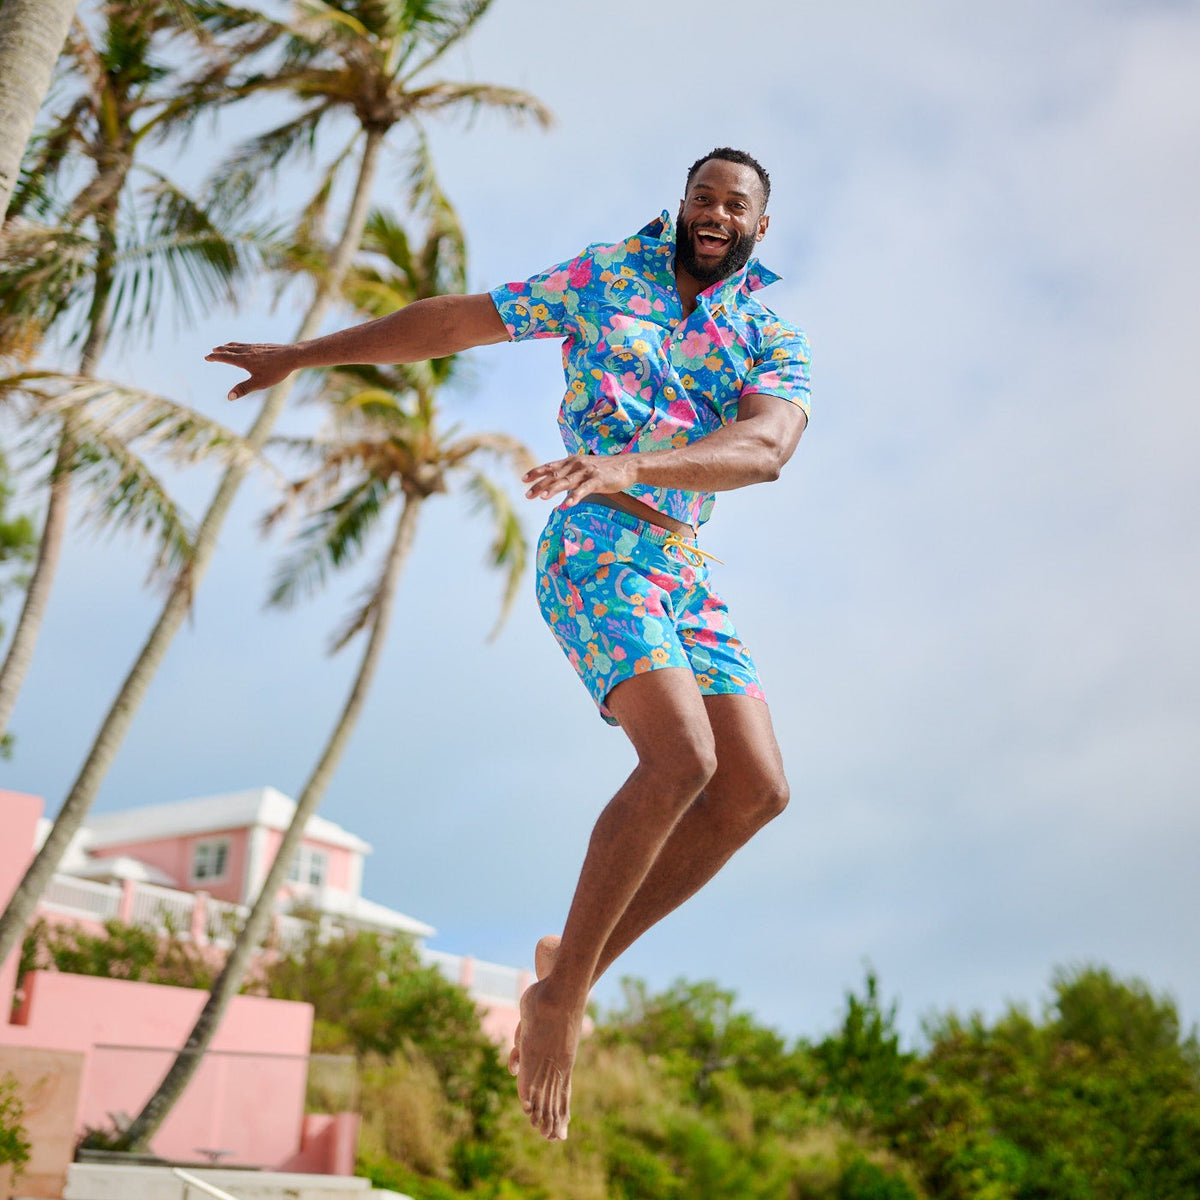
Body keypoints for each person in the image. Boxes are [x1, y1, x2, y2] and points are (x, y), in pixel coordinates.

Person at [207, 146, 811, 1143]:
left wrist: (636, 464)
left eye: (733, 205)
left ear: (758, 227)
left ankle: (561, 975)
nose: (713, 214)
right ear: (682, 203)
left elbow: (768, 449)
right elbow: (452, 322)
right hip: (595, 549)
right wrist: (302, 355)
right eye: (702, 197)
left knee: (755, 789)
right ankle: (563, 1001)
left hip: (683, 559)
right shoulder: (604, 278)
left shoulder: (767, 333)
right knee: (682, 761)